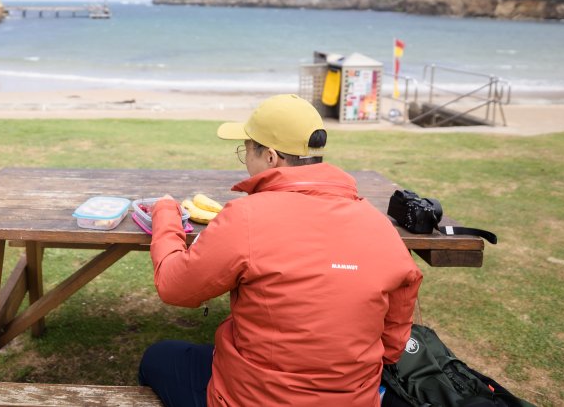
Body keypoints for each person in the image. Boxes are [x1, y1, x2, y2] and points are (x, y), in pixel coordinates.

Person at [138, 94, 423, 407]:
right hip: (352, 398)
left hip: (255, 398)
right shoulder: (379, 226)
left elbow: (175, 286)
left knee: (157, 357)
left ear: (271, 157)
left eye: (245, 149)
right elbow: (393, 346)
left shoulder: (245, 217)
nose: (245, 158)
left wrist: (165, 213)